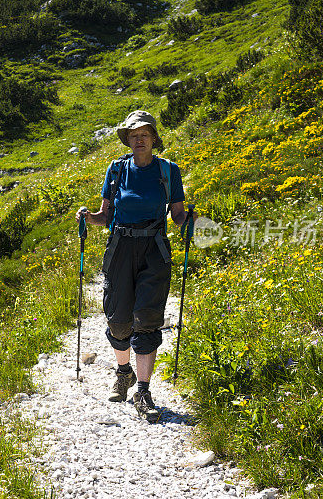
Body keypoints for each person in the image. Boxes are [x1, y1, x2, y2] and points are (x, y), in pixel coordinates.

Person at [76, 110, 195, 421]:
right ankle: (124, 372)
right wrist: (88, 217)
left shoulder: (169, 171)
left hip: (154, 248)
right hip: (120, 248)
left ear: (154, 138)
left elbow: (177, 215)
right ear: (127, 140)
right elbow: (105, 216)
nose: (139, 139)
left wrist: (189, 219)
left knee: (148, 317)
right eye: (133, 135)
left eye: (145, 134)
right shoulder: (116, 170)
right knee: (117, 318)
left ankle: (143, 390)